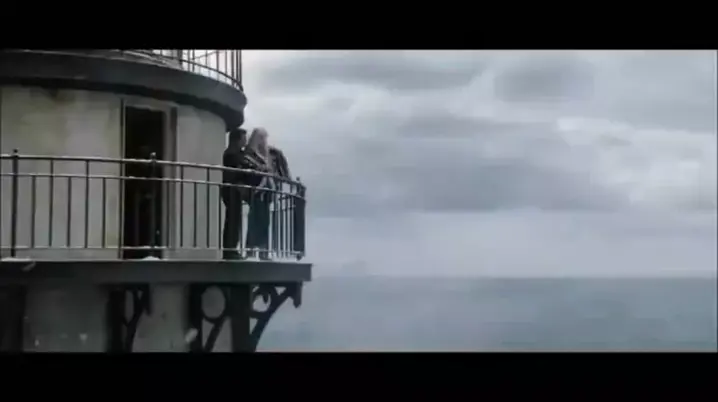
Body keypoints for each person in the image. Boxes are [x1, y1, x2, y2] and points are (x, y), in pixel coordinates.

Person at [244, 128, 274, 260]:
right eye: (261, 138)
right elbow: (248, 167)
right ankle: (250, 249)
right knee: (254, 220)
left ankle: (263, 250)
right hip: (256, 191)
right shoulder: (250, 153)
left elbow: (271, 170)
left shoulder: (267, 155)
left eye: (264, 138)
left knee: (265, 221)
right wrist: (261, 170)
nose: (263, 141)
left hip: (266, 191)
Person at [221, 127, 249, 260]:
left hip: (233, 190)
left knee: (234, 218)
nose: (245, 142)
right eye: (243, 139)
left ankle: (231, 248)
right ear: (237, 140)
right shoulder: (231, 155)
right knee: (232, 219)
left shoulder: (235, 154)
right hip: (231, 190)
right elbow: (230, 174)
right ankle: (229, 249)